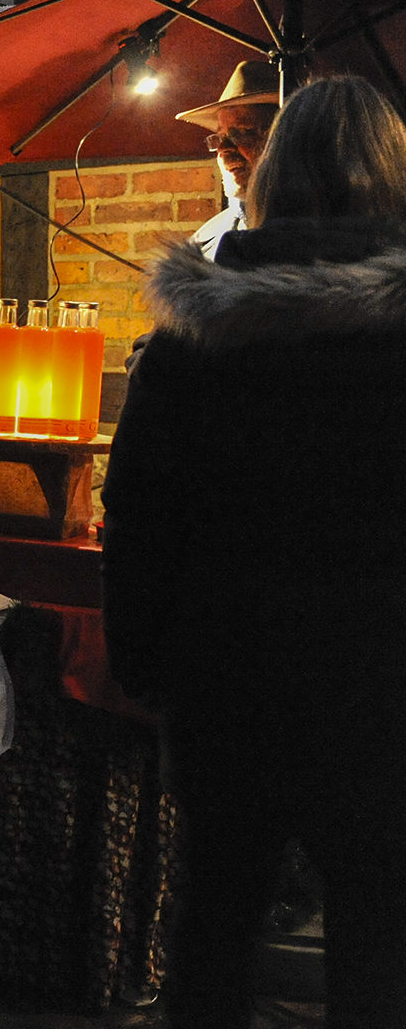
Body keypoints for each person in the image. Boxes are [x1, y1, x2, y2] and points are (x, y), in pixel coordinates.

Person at [103, 75, 406, 1028]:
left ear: (274, 175)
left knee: (217, 915)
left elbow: (138, 509)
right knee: (382, 923)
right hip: (384, 679)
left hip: (228, 673)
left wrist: (142, 655)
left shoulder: (198, 331)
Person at [175, 59, 280, 258]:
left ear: (284, 136)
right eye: (220, 136)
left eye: (242, 132)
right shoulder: (200, 248)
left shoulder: (334, 236)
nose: (223, 149)